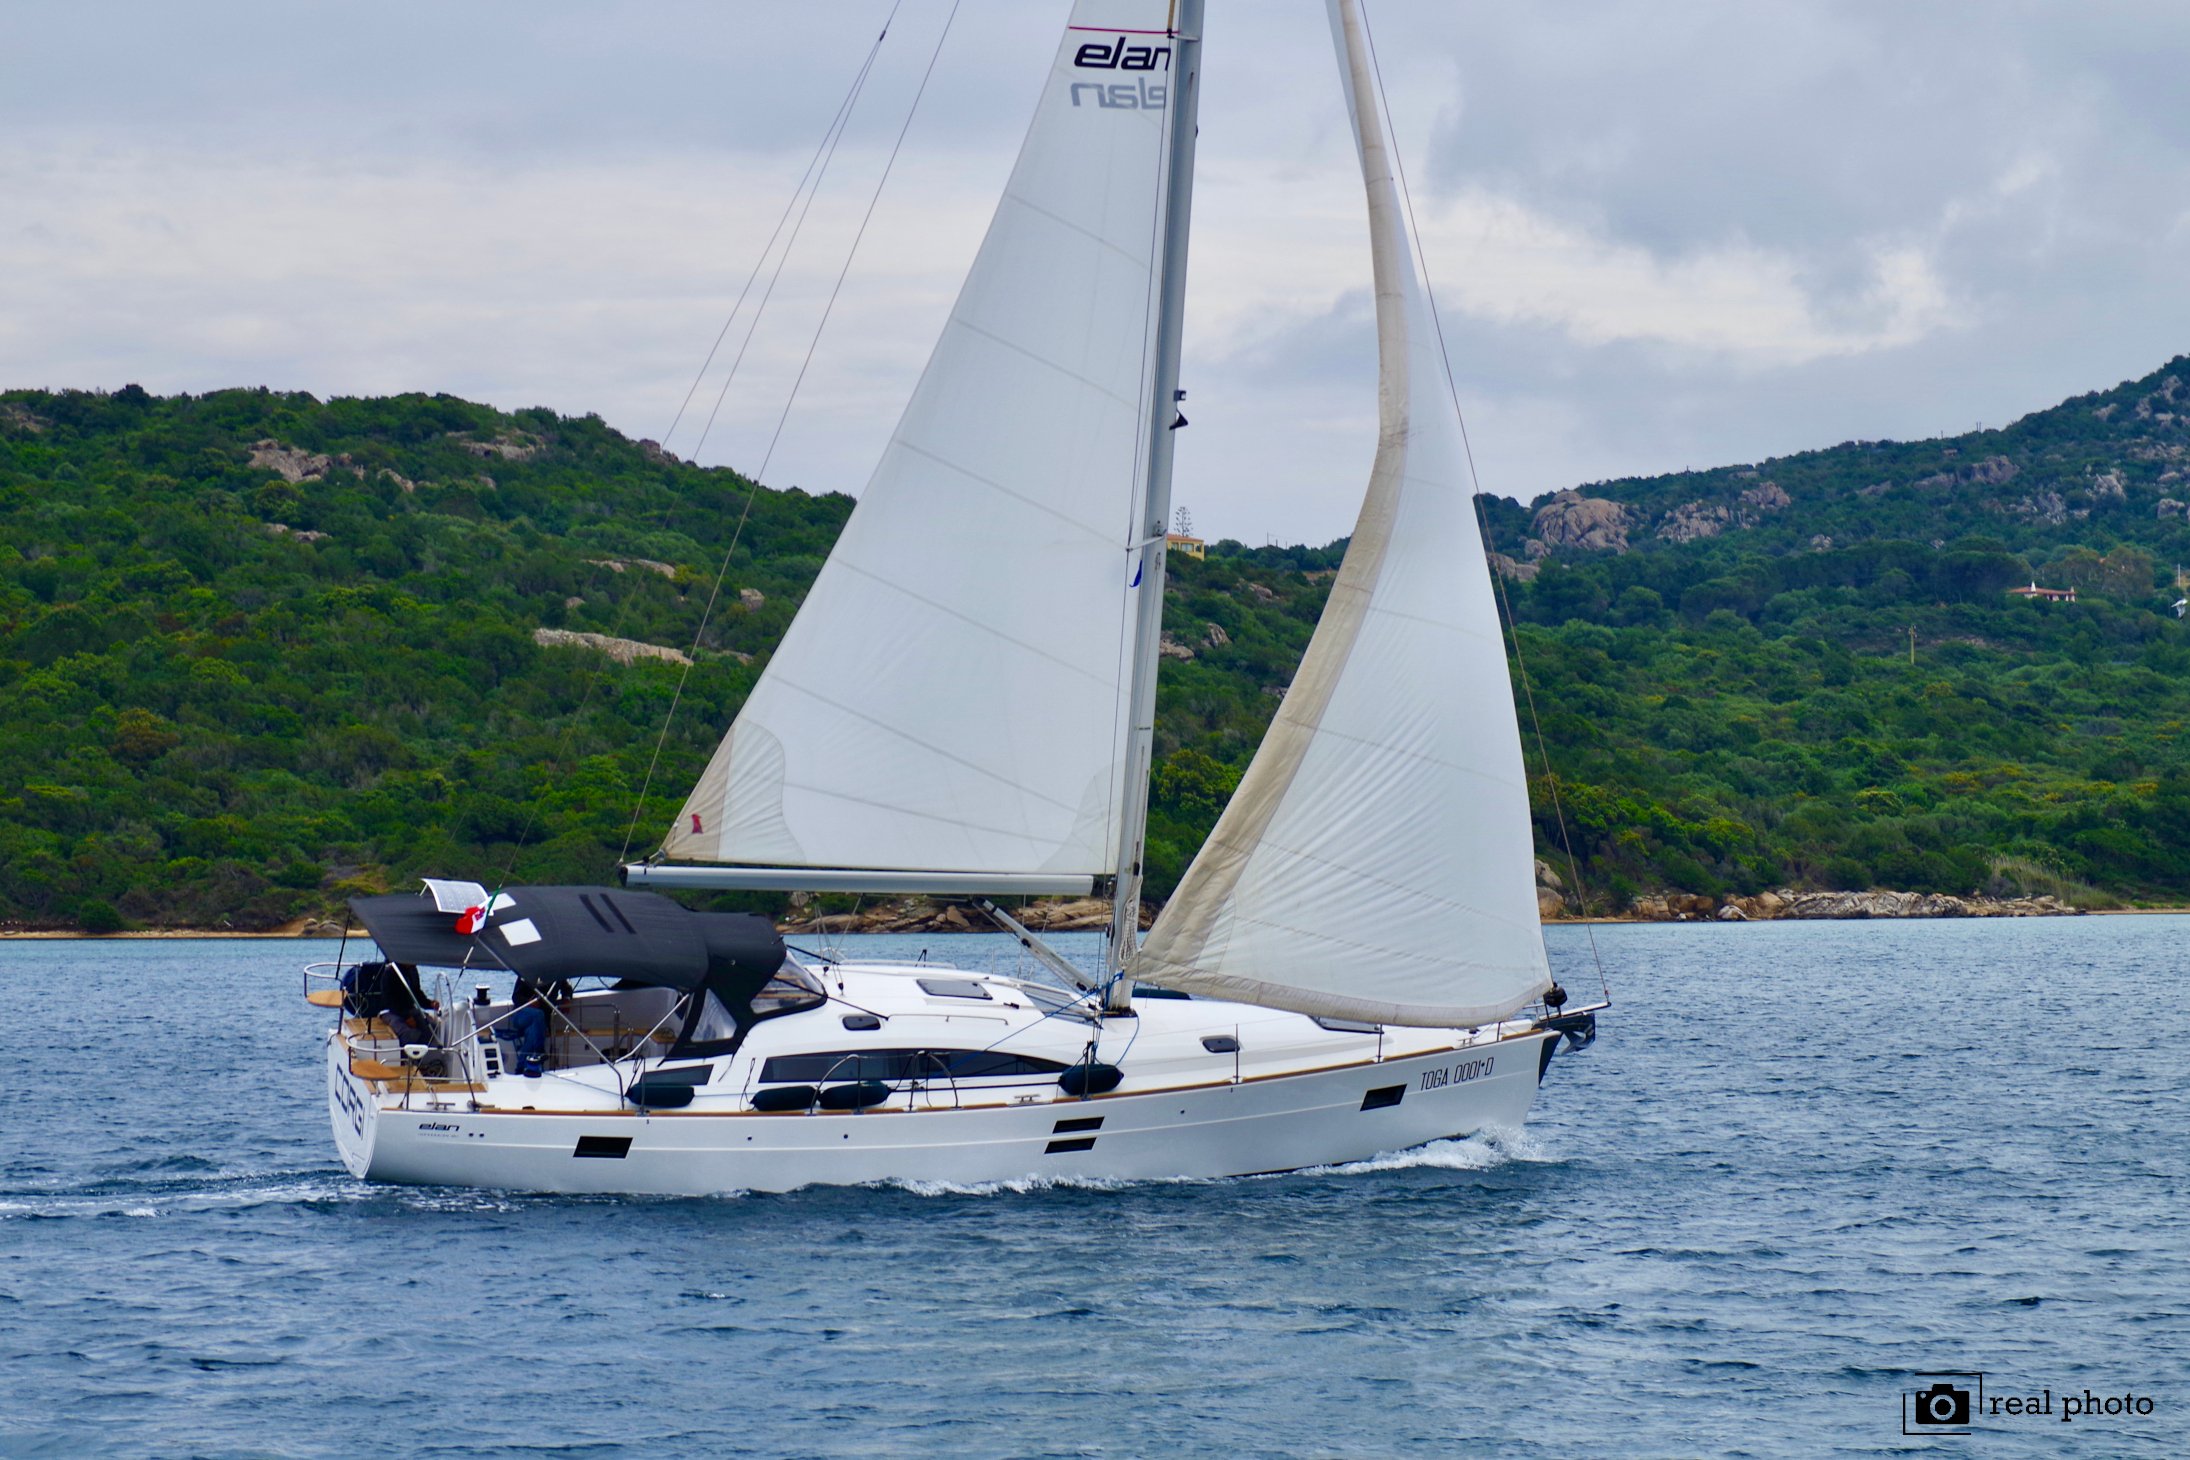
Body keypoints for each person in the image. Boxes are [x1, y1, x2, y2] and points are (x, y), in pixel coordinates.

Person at [505, 978, 552, 1078]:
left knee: (532, 1031)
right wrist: (528, 1002)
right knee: (538, 1014)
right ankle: (539, 1050)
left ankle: (521, 1068)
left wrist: (567, 997)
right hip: (520, 1015)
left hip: (539, 1022)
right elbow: (516, 996)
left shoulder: (558, 975)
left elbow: (567, 988)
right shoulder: (526, 972)